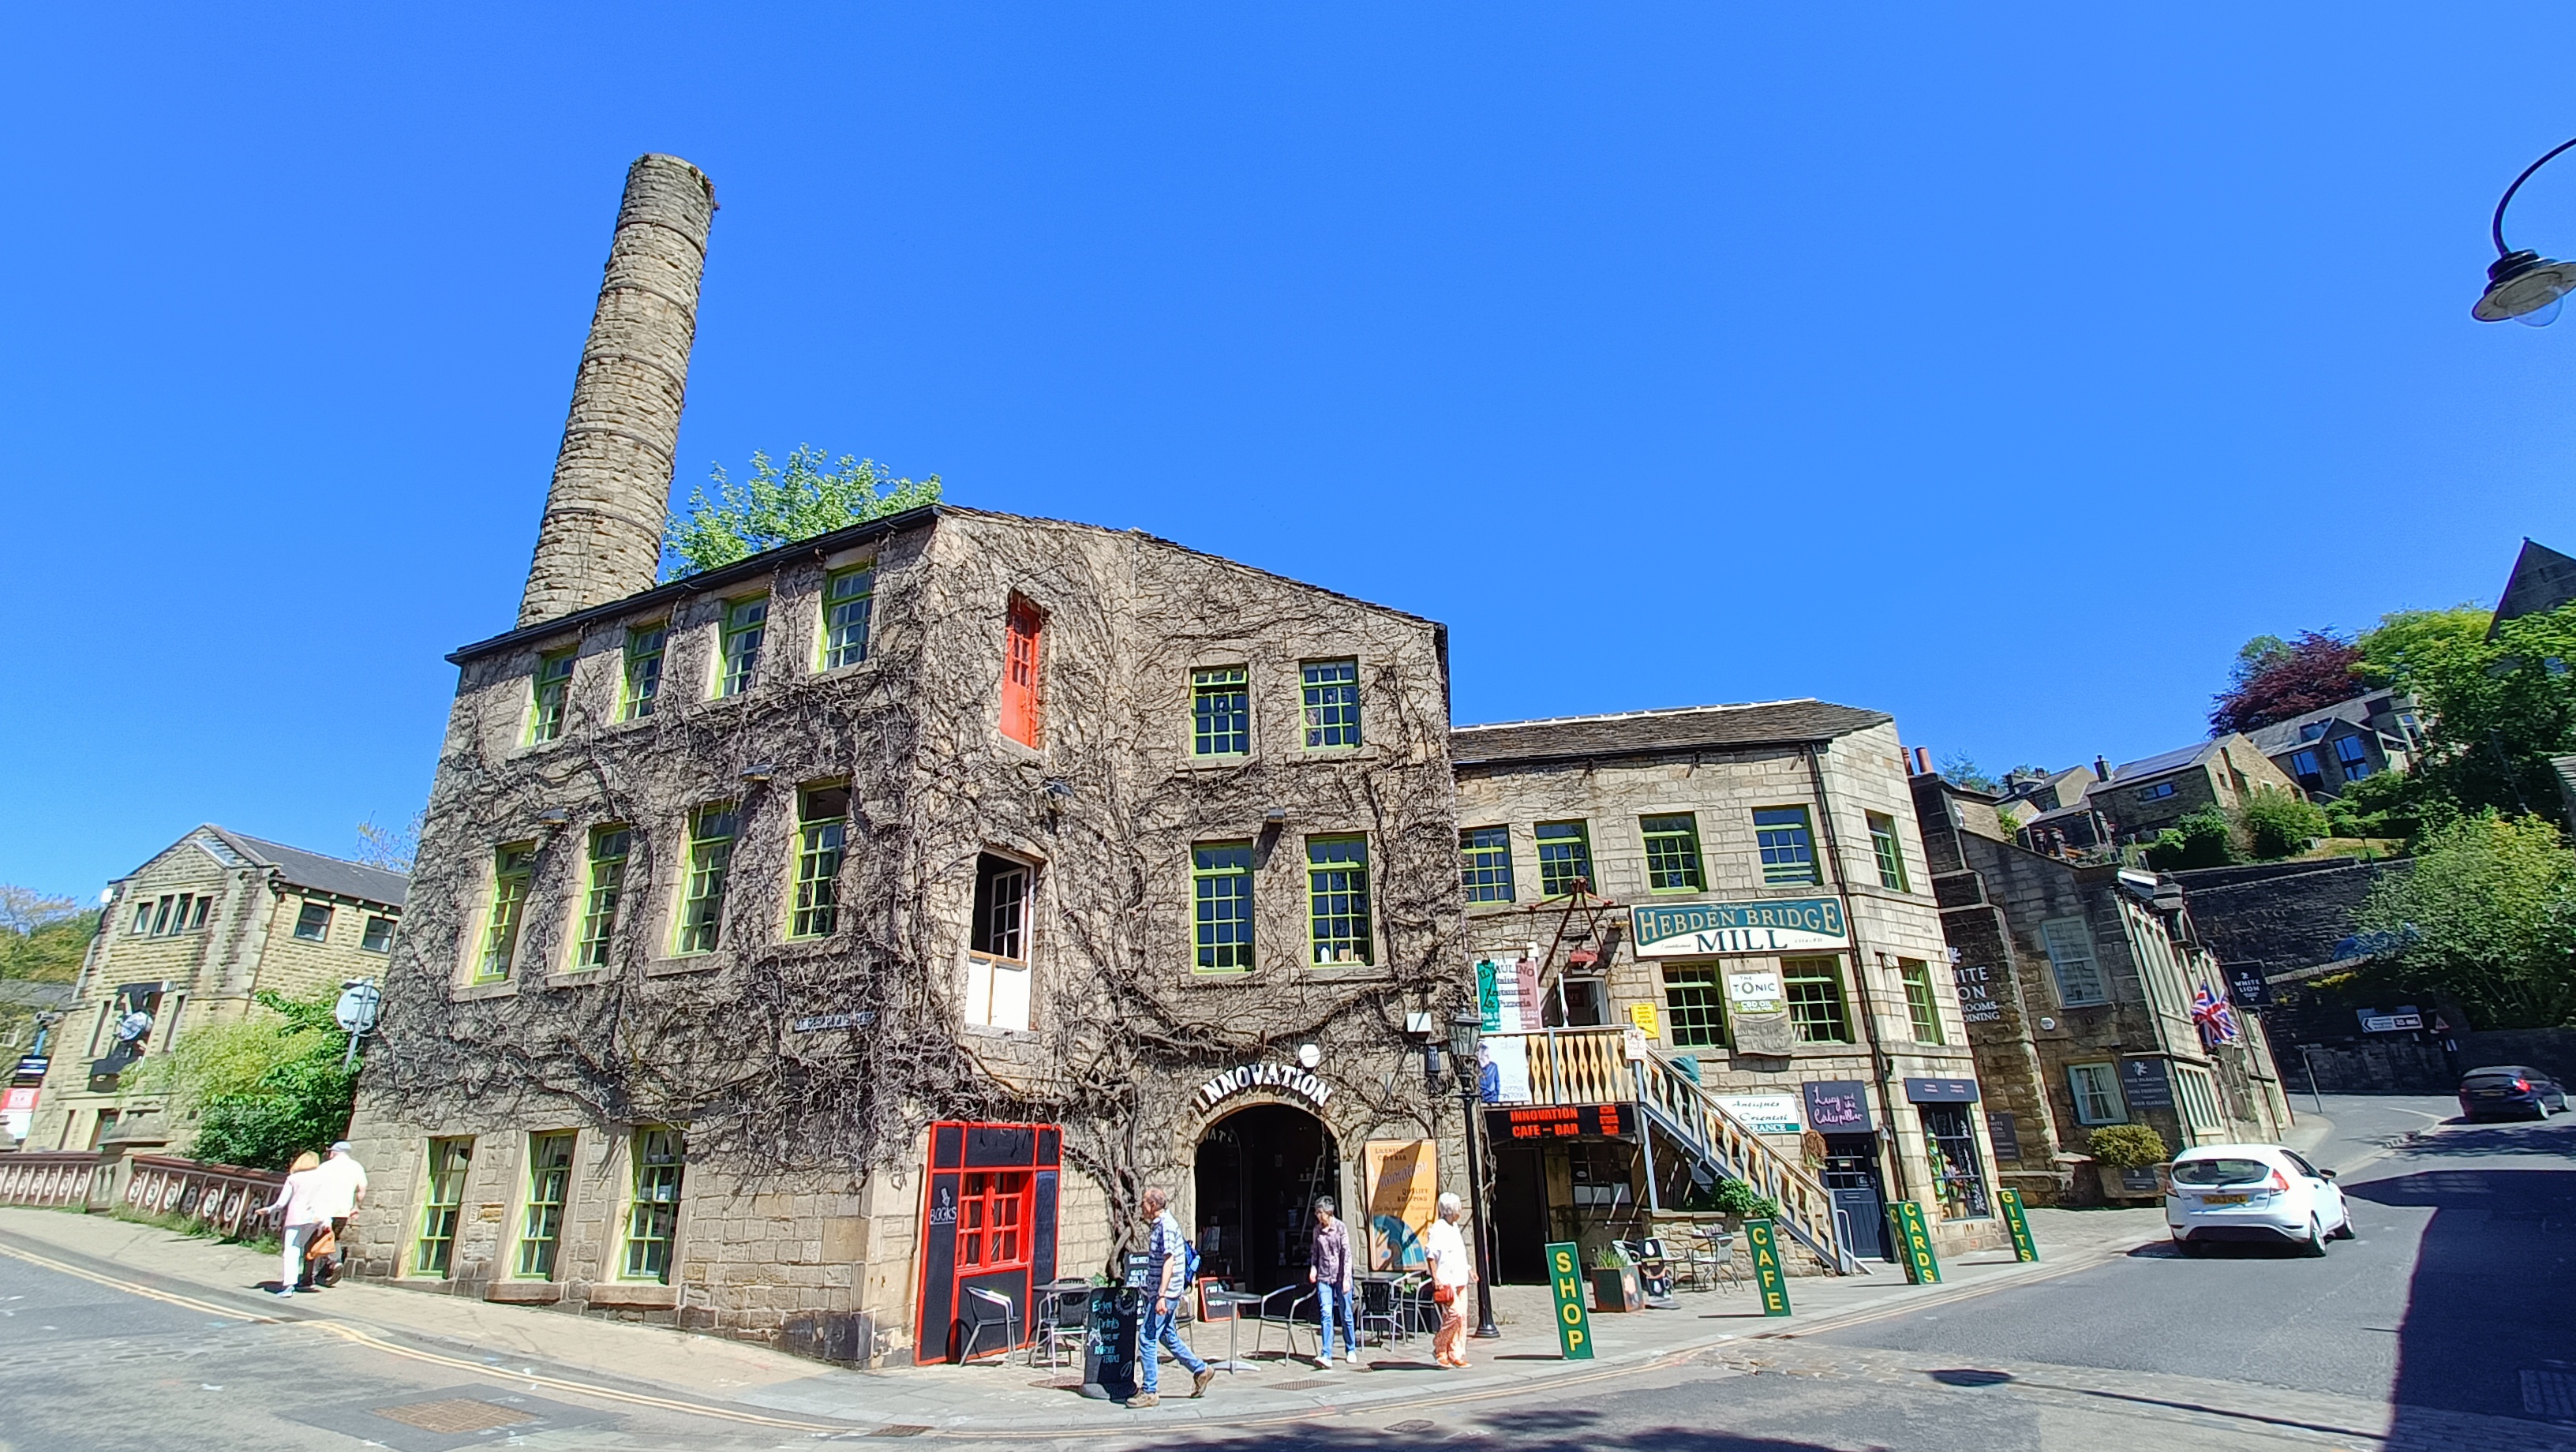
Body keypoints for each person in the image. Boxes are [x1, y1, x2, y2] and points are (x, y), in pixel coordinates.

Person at [1132, 1186, 1215, 1408]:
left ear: (1152, 1206)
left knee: (1147, 1338)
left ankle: (1150, 1391)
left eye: (1144, 1202)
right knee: (1168, 1337)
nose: (1141, 1205)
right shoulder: (1162, 1224)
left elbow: (1170, 1261)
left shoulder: (1166, 1227)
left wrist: (1161, 1296)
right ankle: (1200, 1369)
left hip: (1165, 1294)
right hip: (1168, 1292)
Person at [301, 1141, 369, 1288]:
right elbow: (362, 1189)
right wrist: (356, 1207)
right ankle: (336, 1262)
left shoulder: (325, 1167)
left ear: (334, 1152)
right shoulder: (356, 1167)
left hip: (322, 1210)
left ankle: (307, 1278)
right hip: (342, 1211)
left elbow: (314, 1187)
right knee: (334, 1238)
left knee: (312, 1241)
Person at [1421, 1191, 1474, 1368]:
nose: (1461, 1210)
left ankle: (1455, 1353)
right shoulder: (1438, 1229)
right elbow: (1430, 1254)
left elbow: (1459, 1252)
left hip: (1460, 1279)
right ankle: (1440, 1347)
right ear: (1450, 1210)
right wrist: (1435, 1278)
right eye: (1458, 1208)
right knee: (1454, 1315)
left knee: (1462, 1319)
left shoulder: (1455, 1226)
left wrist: (1469, 1269)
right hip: (1447, 1281)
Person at [264, 1151, 325, 1299]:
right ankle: (307, 1278)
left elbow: (281, 1202)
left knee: (292, 1250)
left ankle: (289, 1285)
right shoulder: (322, 1178)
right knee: (303, 1247)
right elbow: (326, 1200)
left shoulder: (293, 1179)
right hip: (314, 1219)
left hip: (296, 1218)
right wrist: (326, 1220)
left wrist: (269, 1209)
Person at [1309, 1196, 1358, 1369]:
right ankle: (1326, 1354)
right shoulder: (1317, 1231)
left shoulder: (1341, 1228)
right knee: (1326, 1313)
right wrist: (1313, 1269)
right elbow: (1315, 1253)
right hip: (1324, 1276)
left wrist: (1346, 1279)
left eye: (1320, 1212)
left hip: (1340, 1276)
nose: (1317, 1215)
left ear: (1328, 1212)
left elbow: (1347, 1255)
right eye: (1316, 1212)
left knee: (1346, 1314)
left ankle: (1351, 1348)